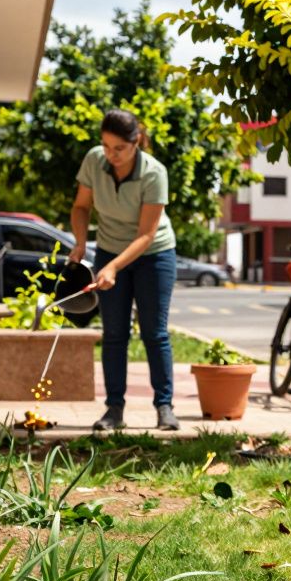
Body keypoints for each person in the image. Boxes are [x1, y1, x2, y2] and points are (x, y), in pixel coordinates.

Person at [68, 109, 180, 431]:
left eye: (119, 148)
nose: (111, 154)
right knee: (114, 333)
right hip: (110, 248)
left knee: (153, 331)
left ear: (136, 142)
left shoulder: (153, 173)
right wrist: (79, 242)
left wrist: (113, 267)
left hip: (153, 253)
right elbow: (81, 206)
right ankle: (113, 409)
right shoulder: (94, 161)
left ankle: (165, 407)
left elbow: (146, 234)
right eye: (105, 146)